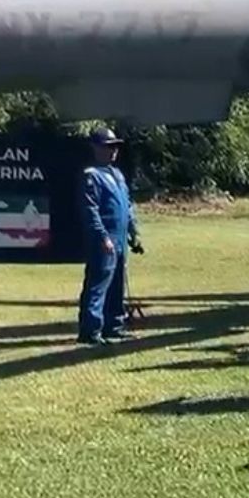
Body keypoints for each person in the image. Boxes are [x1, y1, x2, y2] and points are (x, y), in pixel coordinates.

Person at [77, 127, 144, 346]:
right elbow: (90, 211)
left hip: (121, 237)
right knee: (98, 284)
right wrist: (102, 237)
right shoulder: (91, 176)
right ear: (96, 149)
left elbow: (128, 205)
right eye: (107, 147)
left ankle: (114, 326)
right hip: (105, 238)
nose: (113, 151)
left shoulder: (117, 174)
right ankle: (90, 330)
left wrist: (134, 232)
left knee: (117, 284)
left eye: (114, 147)